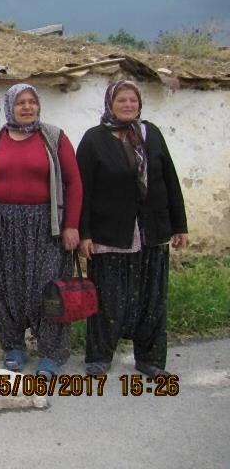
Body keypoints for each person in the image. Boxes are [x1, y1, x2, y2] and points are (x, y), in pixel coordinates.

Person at [0, 84, 82, 377]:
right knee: (7, 287)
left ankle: (51, 353)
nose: (27, 107)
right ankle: (14, 346)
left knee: (48, 288)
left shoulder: (54, 137)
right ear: (10, 107)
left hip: (46, 225)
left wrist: (71, 225)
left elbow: (74, 183)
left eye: (32, 101)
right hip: (4, 225)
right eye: (21, 103)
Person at [77, 80, 187, 378]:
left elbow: (170, 180)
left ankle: (150, 359)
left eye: (132, 100)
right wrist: (83, 234)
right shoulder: (94, 139)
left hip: (152, 230)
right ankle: (99, 355)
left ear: (139, 104)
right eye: (121, 100)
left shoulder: (152, 135)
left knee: (152, 297)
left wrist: (179, 225)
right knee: (108, 297)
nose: (128, 104)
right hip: (109, 233)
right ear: (110, 104)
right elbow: (81, 190)